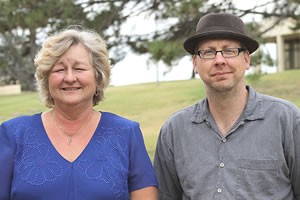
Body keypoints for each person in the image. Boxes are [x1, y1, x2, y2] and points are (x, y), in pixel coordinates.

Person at [0, 26, 158, 200]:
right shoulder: (13, 134)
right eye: (59, 70)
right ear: (47, 79)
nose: (69, 78)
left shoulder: (127, 134)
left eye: (79, 69)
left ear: (98, 77)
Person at [154, 13, 300, 200]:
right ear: (196, 64)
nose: (219, 60)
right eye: (208, 52)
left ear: (246, 59)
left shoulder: (287, 120)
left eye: (229, 50)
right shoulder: (174, 130)